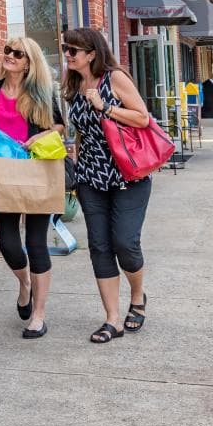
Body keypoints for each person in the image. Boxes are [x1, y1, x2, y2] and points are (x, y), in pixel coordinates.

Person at [61, 27, 153, 344]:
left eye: (74, 50)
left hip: (129, 174)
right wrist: (76, 167)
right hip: (91, 178)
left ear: (92, 53)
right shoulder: (73, 85)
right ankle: (112, 319)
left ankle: (138, 296)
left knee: (125, 244)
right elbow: (80, 134)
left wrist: (105, 107)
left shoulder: (113, 78)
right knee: (99, 246)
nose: (68, 54)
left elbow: (142, 118)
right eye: (66, 49)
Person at [0, 37, 65, 339]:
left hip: (37, 172)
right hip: (3, 175)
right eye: (8, 50)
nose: (10, 56)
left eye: (18, 53)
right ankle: (24, 284)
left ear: (29, 62)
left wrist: (41, 136)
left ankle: (38, 314)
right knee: (9, 244)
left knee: (36, 243)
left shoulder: (42, 93)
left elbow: (61, 126)